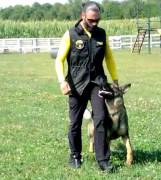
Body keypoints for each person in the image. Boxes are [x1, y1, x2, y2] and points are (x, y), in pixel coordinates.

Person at [54, 1, 119, 172]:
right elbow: (59, 59)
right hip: (76, 84)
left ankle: (103, 160)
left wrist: (115, 79)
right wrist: (62, 81)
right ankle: (75, 156)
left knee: (101, 119)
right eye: (91, 20)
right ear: (83, 16)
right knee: (75, 123)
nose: (95, 23)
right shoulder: (70, 34)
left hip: (97, 83)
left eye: (97, 20)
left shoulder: (101, 34)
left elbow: (109, 58)